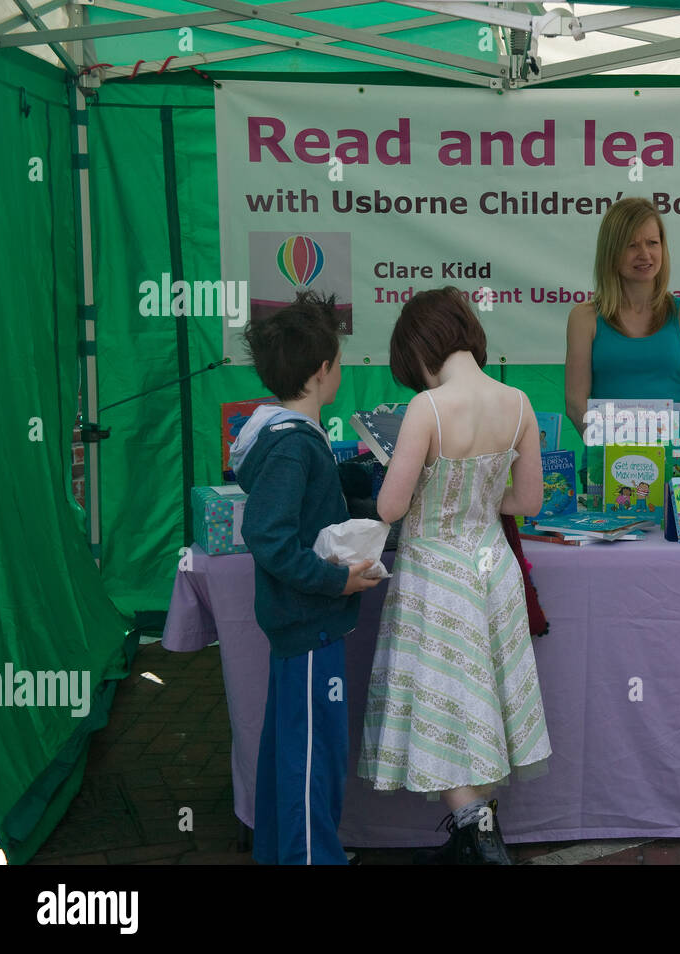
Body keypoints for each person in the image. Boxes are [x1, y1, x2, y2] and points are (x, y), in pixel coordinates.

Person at [358, 286, 551, 865]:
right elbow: (529, 500)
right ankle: (476, 833)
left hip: (435, 570)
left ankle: (477, 835)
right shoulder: (518, 403)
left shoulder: (427, 409)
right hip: (494, 565)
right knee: (486, 696)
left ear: (420, 351)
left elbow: (390, 509)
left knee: (446, 700)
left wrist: (397, 467)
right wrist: (478, 497)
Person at [232, 290, 381, 865]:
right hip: (310, 623)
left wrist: (353, 478)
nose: (341, 371)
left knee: (291, 749)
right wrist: (333, 581)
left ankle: (281, 853)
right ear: (323, 370)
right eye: (339, 362)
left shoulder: (286, 436)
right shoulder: (294, 446)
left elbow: (302, 500)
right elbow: (269, 536)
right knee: (313, 759)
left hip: (303, 626)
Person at [564, 196, 680, 441]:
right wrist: (612, 450)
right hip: (605, 465)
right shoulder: (584, 318)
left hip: (673, 465)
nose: (645, 254)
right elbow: (575, 403)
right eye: (631, 245)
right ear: (611, 251)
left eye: (652, 243)